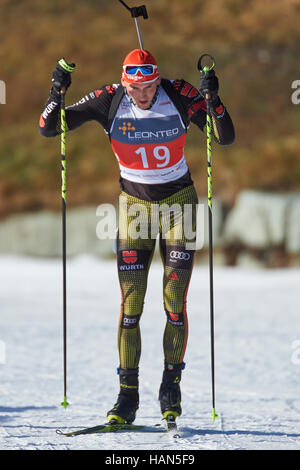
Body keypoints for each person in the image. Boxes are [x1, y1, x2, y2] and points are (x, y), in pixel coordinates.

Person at [39, 49, 235, 425]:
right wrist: (56, 93)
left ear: (156, 80)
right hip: (134, 209)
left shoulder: (176, 93)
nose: (143, 95)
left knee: (174, 301)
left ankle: (170, 385)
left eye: (148, 87)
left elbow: (223, 137)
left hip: (180, 205)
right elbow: (50, 127)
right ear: (125, 82)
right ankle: (127, 396)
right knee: (131, 305)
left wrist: (213, 98)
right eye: (135, 88)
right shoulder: (110, 99)